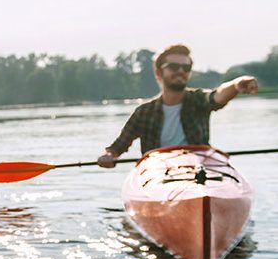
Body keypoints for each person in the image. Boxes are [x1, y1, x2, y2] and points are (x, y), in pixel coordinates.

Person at [97, 44, 259, 167]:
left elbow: (217, 96)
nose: (181, 71)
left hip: (198, 169)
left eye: (186, 68)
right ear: (159, 73)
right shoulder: (144, 112)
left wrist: (237, 85)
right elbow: (117, 147)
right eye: (174, 67)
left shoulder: (198, 100)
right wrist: (108, 155)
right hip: (158, 172)